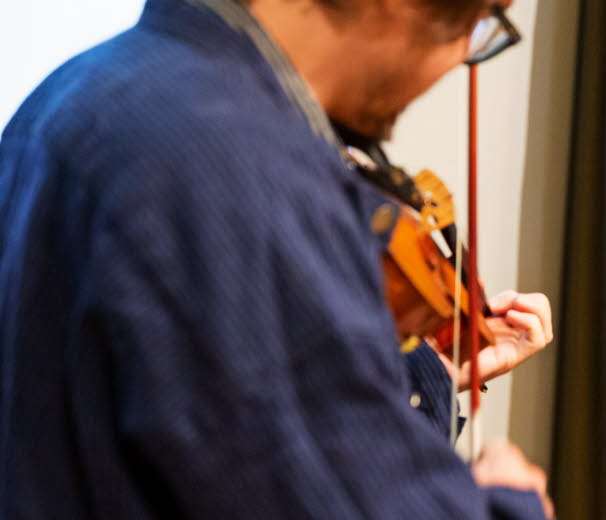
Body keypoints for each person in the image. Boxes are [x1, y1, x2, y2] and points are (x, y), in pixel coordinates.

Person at [0, 0, 553, 517]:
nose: (463, 59)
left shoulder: (79, 88)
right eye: (483, 21)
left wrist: (413, 373)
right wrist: (507, 498)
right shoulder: (235, 164)